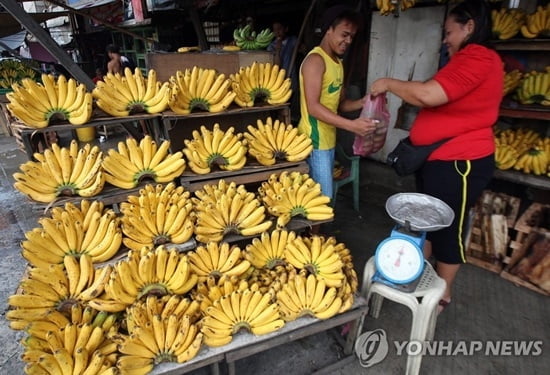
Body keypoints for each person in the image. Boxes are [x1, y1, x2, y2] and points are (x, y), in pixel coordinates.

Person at [370, 0, 503, 312]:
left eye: (449, 31)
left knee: (448, 231)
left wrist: (388, 83)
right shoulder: (464, 59)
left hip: (461, 162)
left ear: (469, 26)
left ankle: (440, 297)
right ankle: (416, 273)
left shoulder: (479, 57)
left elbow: (428, 94)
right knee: (426, 224)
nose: (445, 39)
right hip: (440, 160)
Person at [298, 6, 376, 200]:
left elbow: (340, 104)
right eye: (345, 34)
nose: (348, 41)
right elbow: (313, 108)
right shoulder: (315, 61)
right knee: (322, 201)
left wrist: (362, 102)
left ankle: (318, 231)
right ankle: (317, 232)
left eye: (352, 36)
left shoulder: (338, 63)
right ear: (328, 29)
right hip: (314, 142)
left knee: (323, 198)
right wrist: (352, 126)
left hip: (329, 140)